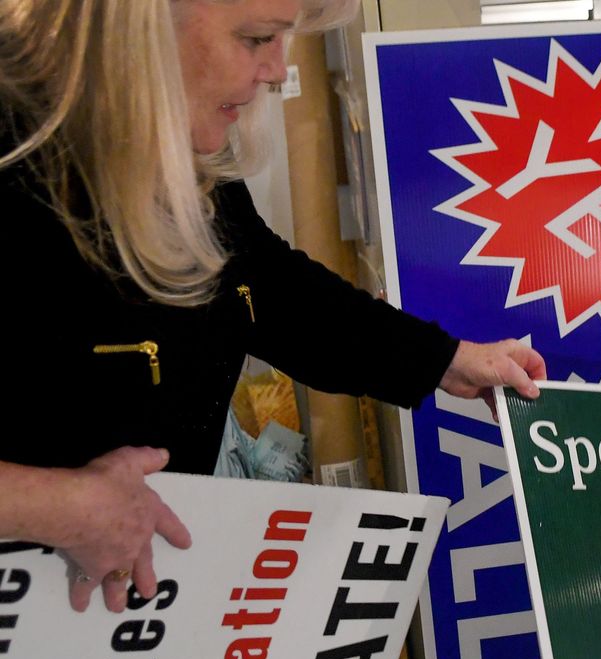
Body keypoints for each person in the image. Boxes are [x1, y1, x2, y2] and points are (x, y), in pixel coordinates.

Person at [0, 0, 546, 614]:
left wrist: (443, 360)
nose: (274, 69)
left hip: (104, 624)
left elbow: (259, 282)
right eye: (257, 37)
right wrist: (58, 506)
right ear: (132, 29)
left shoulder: (172, 144)